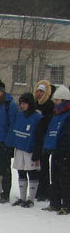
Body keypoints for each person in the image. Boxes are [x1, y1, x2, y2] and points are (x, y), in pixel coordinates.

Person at [4, 92, 42, 207]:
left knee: (32, 173)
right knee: (20, 171)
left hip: (30, 149)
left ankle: (31, 199)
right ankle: (22, 197)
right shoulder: (20, 115)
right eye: (21, 103)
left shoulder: (37, 117)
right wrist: (10, 144)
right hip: (20, 148)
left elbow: (40, 136)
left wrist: (37, 151)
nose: (23, 105)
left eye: (25, 103)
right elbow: (14, 130)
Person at [42, 84, 70, 214]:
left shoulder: (67, 115)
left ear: (64, 101)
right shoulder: (56, 114)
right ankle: (55, 203)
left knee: (65, 179)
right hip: (56, 150)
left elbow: (66, 134)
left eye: (57, 100)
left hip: (65, 151)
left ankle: (66, 205)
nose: (55, 103)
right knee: (55, 177)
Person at [34, 80, 54, 202]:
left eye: (41, 91)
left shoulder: (49, 105)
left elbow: (48, 121)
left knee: (43, 165)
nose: (39, 93)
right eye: (38, 91)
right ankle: (36, 189)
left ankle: (44, 190)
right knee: (35, 165)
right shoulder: (35, 104)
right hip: (35, 137)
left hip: (44, 137)